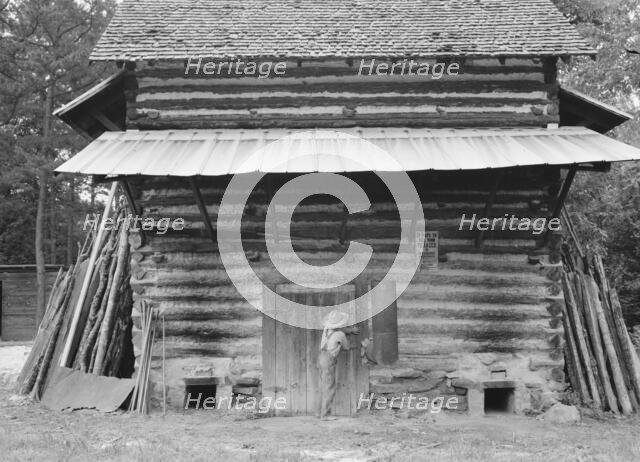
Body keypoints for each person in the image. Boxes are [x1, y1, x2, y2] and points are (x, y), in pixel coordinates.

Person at [318, 310, 359, 420]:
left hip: (321, 357)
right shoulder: (340, 335)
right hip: (329, 360)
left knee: (324, 385)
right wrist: (355, 343)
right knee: (329, 387)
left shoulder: (327, 329)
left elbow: (339, 329)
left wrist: (349, 330)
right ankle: (325, 415)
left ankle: (320, 412)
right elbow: (346, 347)